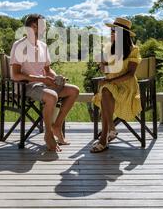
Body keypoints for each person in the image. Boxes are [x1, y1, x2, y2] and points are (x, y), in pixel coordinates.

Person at [10, 14, 79, 152]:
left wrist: (56, 77)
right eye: (42, 27)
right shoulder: (19, 46)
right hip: (26, 86)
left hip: (43, 85)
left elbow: (47, 70)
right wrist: (41, 79)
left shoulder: (43, 46)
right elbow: (16, 75)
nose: (44, 30)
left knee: (74, 90)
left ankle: (57, 126)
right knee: (52, 96)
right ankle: (48, 135)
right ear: (31, 27)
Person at [91, 17, 142, 153]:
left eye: (114, 31)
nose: (111, 33)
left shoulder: (133, 50)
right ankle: (109, 131)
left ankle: (105, 137)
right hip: (111, 86)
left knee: (106, 89)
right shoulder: (109, 48)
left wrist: (109, 81)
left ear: (123, 34)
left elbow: (130, 74)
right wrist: (102, 65)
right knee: (106, 90)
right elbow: (106, 71)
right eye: (111, 30)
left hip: (127, 87)